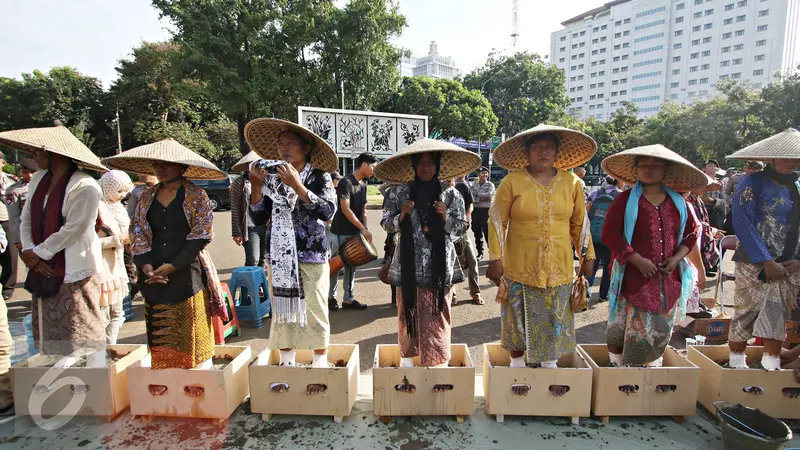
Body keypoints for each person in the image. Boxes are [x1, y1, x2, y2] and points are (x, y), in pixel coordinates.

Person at [486, 124, 596, 393]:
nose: (543, 151)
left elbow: (579, 224)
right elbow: (497, 221)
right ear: (527, 152)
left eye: (548, 146)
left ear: (557, 152)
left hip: (558, 266)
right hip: (519, 265)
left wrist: (588, 254)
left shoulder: (571, 182)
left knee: (553, 317)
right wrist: (495, 258)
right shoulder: (512, 181)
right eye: (536, 146)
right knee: (517, 317)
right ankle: (517, 370)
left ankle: (549, 369)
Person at [105, 138, 228, 372]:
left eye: (166, 164)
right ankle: (167, 387)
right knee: (161, 338)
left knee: (193, 333)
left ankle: (199, 384)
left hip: (186, 273)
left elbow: (200, 235)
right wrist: (145, 265)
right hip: (153, 277)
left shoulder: (197, 196)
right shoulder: (145, 197)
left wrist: (173, 265)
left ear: (182, 167)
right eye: (156, 164)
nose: (159, 169)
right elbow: (137, 231)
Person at [244, 118, 337, 394]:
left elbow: (328, 211)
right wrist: (257, 187)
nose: (284, 149)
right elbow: (258, 218)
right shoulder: (270, 177)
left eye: (291, 143)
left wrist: (298, 186)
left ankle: (320, 368)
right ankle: (286, 367)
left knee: (316, 312)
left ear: (307, 147)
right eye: (281, 144)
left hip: (312, 256)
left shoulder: (319, 176)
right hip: (282, 258)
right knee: (284, 314)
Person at [1, 126, 109, 357]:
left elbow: (76, 228)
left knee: (80, 328)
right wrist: (29, 251)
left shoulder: (85, 185)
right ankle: (55, 382)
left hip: (74, 265)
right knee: (49, 331)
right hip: (40, 262)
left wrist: (39, 252)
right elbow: (27, 217)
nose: (34, 157)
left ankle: (90, 380)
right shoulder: (39, 179)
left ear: (55, 154)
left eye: (39, 152)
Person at [377, 139, 477, 378]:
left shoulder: (451, 194)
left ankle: (438, 367)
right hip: (407, 265)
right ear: (413, 165)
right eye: (420, 163)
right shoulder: (398, 192)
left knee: (438, 314)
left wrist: (445, 218)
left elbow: (462, 227)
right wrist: (400, 216)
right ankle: (409, 364)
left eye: (431, 163)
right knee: (407, 312)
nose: (425, 167)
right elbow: (386, 224)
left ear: (438, 165)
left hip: (439, 265)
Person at [601, 145, 706, 368]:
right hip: (632, 276)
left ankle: (650, 368)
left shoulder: (679, 203)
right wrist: (636, 259)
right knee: (623, 325)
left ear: (665, 171)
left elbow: (691, 233)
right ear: (636, 169)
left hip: (668, 278)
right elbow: (610, 234)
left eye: (655, 166)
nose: (649, 170)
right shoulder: (625, 200)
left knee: (661, 327)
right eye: (644, 166)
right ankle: (619, 369)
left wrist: (677, 258)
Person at [726, 128, 800, 371]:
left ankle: (771, 364)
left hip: (791, 262)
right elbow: (742, 221)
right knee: (746, 309)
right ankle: (736, 361)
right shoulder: (752, 182)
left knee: (777, 311)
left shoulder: (799, 185)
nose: (791, 161)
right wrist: (766, 260)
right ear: (772, 157)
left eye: (795, 157)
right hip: (754, 261)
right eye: (786, 156)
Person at [328, 153, 378, 311]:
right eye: (373, 167)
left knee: (352, 265)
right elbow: (345, 208)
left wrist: (365, 231)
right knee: (335, 265)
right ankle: (331, 298)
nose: (373, 171)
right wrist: (362, 228)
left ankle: (348, 299)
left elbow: (363, 211)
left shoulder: (363, 185)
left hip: (355, 232)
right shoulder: (346, 182)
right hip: (339, 231)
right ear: (364, 165)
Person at [96, 171, 135, 344]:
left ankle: (110, 349)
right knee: (103, 315)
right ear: (108, 187)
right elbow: (88, 243)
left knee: (117, 313)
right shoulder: (96, 208)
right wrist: (118, 239)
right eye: (119, 191)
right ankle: (100, 354)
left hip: (117, 267)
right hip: (101, 270)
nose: (123, 195)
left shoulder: (118, 208)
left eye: (125, 191)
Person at [586, 176, 623, 302]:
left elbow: (586, 213)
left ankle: (586, 291)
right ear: (617, 182)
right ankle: (603, 295)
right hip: (611, 238)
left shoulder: (595, 193)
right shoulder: (621, 196)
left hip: (594, 235)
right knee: (608, 266)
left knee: (592, 263)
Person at [447, 176, 482, 305]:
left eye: (450, 181)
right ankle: (452, 295)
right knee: (450, 264)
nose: (448, 183)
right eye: (445, 181)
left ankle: (475, 292)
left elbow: (470, 205)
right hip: (446, 234)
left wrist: (467, 217)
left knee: (472, 261)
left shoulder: (462, 187)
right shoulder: (438, 192)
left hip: (462, 232)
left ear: (454, 180)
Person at [230, 151, 266, 267]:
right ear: (247, 166)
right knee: (253, 260)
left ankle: (260, 285)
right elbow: (235, 208)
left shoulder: (268, 181)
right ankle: (249, 285)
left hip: (266, 226)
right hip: (250, 227)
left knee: (263, 260)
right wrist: (236, 232)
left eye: (259, 163)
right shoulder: (239, 183)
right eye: (252, 164)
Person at [6, 158, 37, 255]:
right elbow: (14, 217)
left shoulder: (45, 185)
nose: (29, 175)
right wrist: (18, 240)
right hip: (27, 233)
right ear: (19, 172)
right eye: (25, 172)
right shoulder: (14, 190)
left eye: (32, 172)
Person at [0, 151, 18, 300]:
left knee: (11, 256)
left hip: (7, 219)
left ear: (3, 163)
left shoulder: (10, 181)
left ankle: (7, 288)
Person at [470, 166, 494, 259]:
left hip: (486, 211)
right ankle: (480, 253)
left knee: (488, 233)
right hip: (476, 211)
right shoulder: (474, 185)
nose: (485, 175)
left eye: (486, 173)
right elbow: (472, 196)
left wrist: (477, 196)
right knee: (477, 233)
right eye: (482, 173)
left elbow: (489, 195)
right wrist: (481, 197)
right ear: (478, 175)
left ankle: (492, 254)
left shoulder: (490, 185)